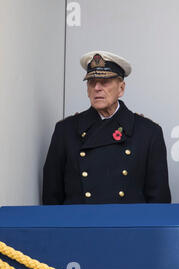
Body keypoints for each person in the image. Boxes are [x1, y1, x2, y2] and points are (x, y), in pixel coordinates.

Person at [43, 51, 171, 204]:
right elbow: (52, 198)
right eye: (92, 82)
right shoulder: (65, 131)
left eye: (105, 82)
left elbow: (159, 202)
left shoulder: (148, 133)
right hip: (79, 225)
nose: (97, 88)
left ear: (121, 89)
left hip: (127, 226)